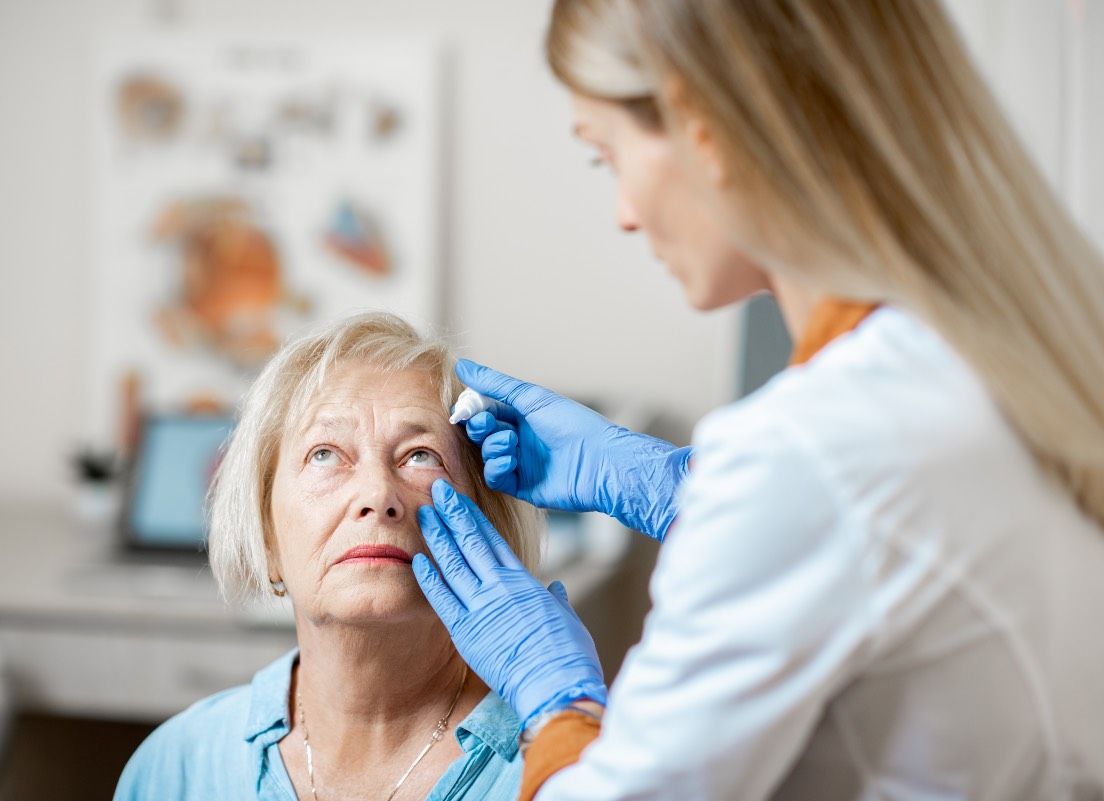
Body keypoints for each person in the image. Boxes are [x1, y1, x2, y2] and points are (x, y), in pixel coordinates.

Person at [409, 1, 1104, 799]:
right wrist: (674, 485)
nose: (625, 216)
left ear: (704, 126)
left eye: (607, 157)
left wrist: (554, 699)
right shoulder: (991, 356)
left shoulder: (812, 451)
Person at [114, 312, 543, 801]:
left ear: (485, 522)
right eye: (325, 454)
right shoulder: (177, 769)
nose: (378, 494)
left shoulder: (561, 770)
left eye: (420, 455)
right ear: (266, 535)